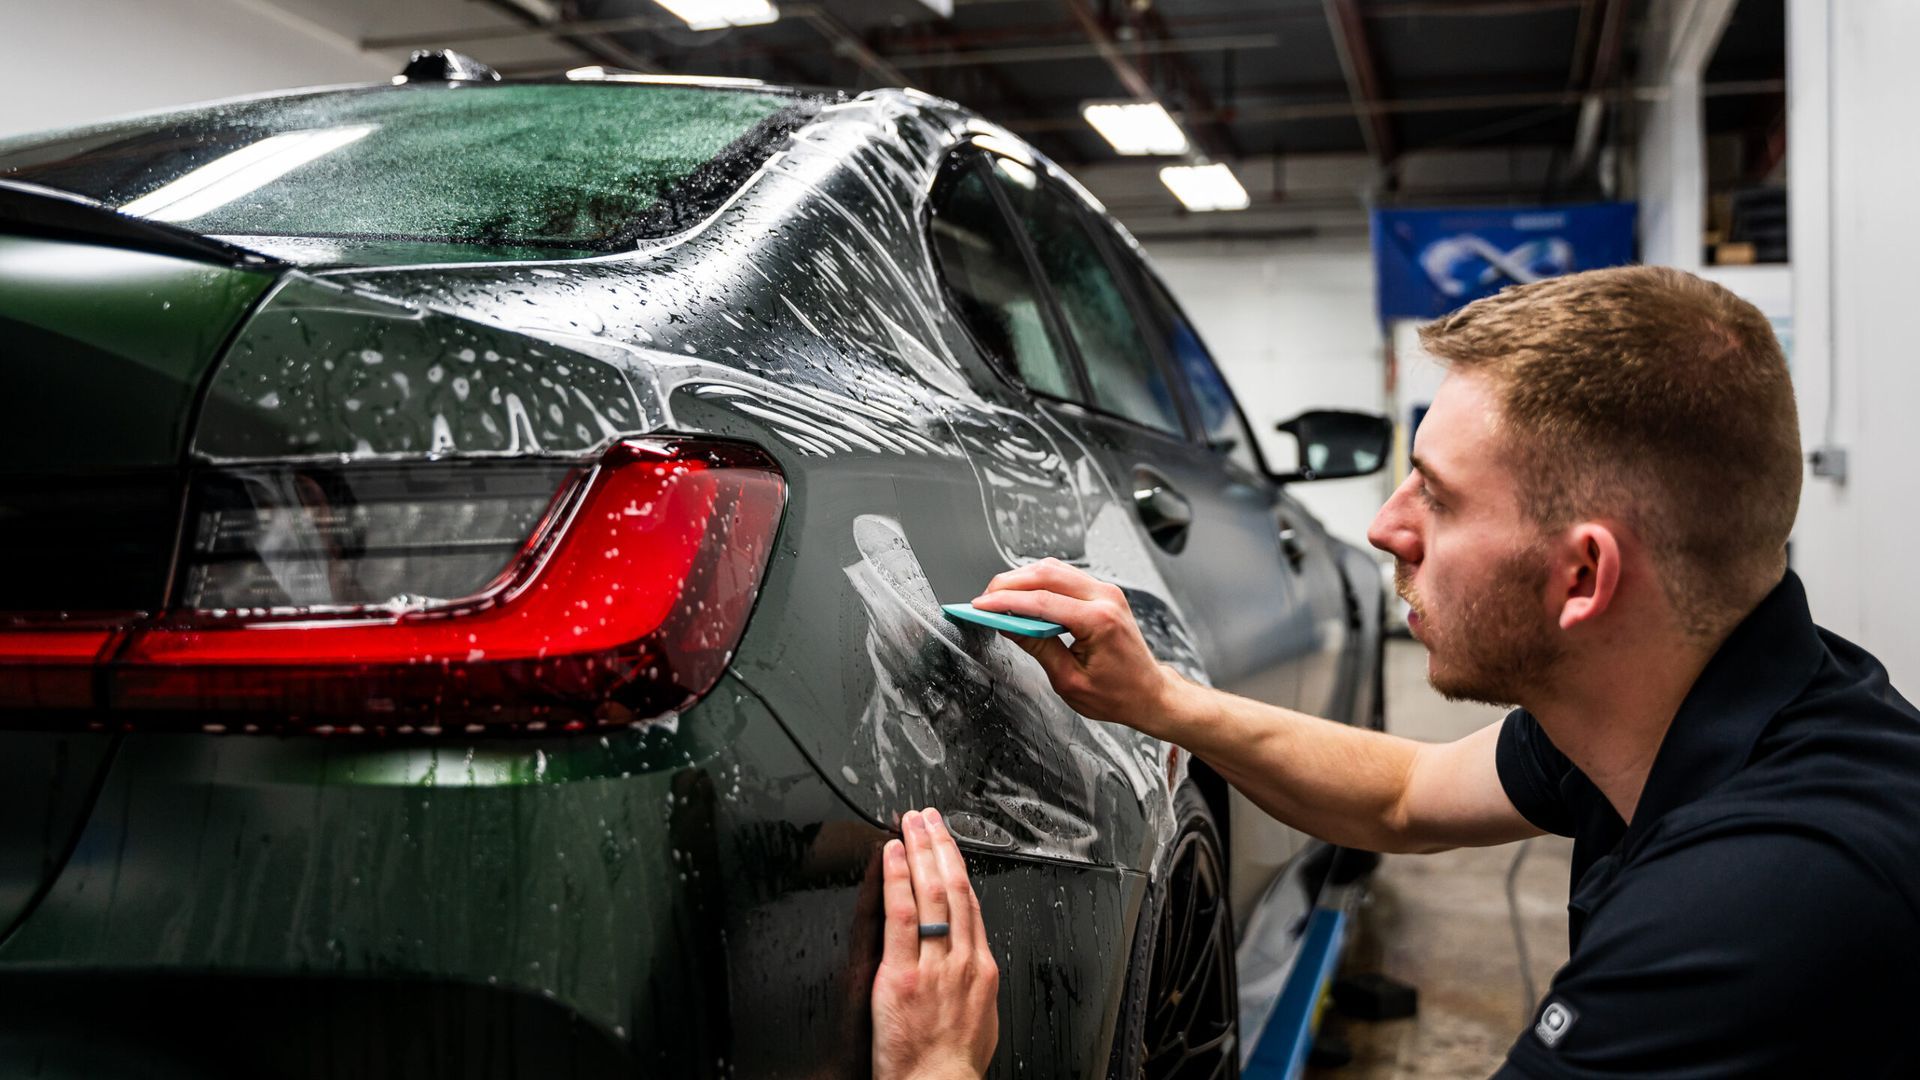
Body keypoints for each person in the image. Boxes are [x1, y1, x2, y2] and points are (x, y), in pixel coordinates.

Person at [950, 266, 1920, 1076]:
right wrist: (1159, 702)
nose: (1384, 527)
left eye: (1440, 499)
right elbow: (1407, 798)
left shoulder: (1757, 912)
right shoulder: (1695, 696)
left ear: (1584, 576)